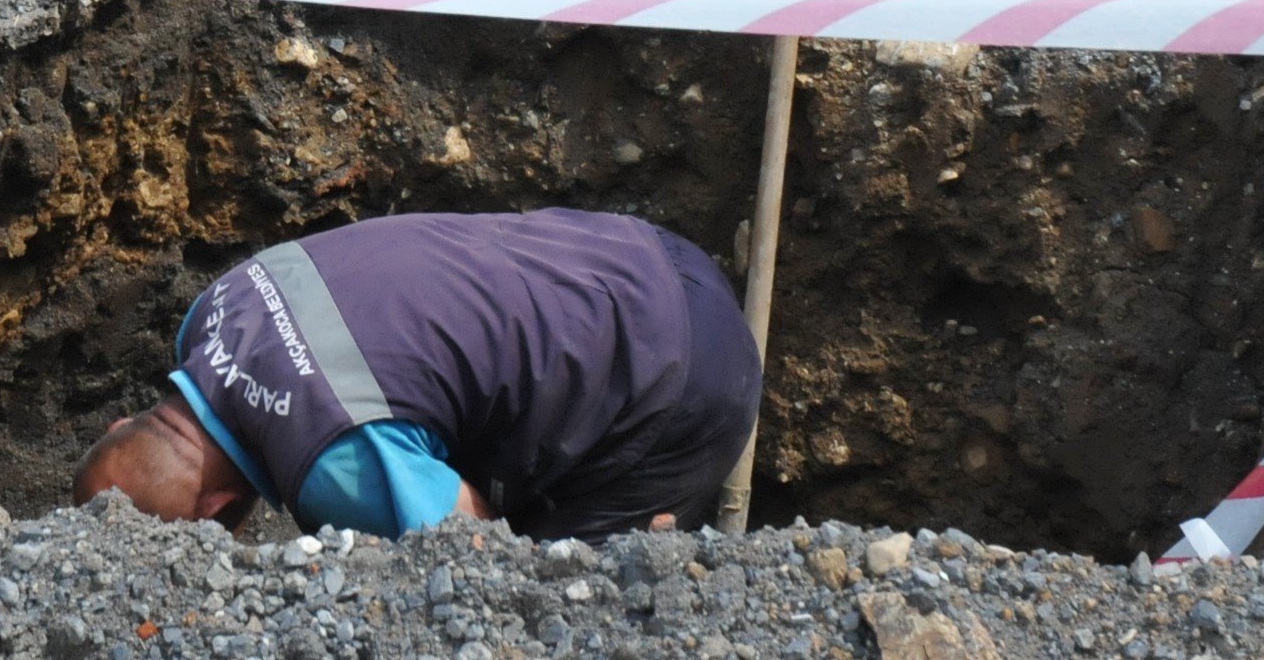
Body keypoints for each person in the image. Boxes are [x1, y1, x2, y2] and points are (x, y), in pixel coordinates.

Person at [71, 210, 759, 541]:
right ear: (121, 424)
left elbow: (474, 551)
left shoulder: (333, 461)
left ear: (215, 514)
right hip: (625, 250)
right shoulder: (214, 308)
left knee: (565, 596)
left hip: (676, 374)